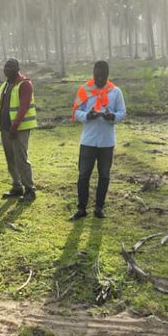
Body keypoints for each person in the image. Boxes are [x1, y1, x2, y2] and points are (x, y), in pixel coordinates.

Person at [70, 60, 126, 220]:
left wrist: (112, 116)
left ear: (108, 75)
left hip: (107, 142)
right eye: (96, 75)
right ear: (93, 74)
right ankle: (81, 208)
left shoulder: (115, 92)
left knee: (104, 175)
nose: (99, 78)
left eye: (102, 76)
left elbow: (122, 112)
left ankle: (99, 208)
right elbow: (76, 111)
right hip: (88, 140)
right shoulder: (85, 90)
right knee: (83, 175)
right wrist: (87, 115)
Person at [0, 58, 38, 201]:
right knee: (10, 159)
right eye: (5, 67)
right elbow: (2, 107)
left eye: (10, 67)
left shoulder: (25, 84)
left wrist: (15, 127)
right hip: (5, 128)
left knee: (21, 159)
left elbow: (23, 108)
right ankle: (17, 186)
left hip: (19, 128)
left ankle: (30, 189)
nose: (6, 69)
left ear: (17, 68)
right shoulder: (6, 85)